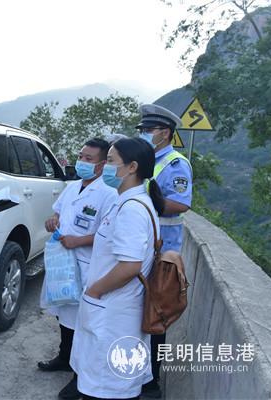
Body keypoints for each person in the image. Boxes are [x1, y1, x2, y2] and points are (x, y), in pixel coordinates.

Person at [70, 138, 164, 400]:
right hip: (117, 309)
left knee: (105, 388)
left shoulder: (132, 210)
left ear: (132, 167)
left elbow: (130, 266)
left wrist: (95, 292)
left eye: (111, 161)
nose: (106, 167)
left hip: (113, 312)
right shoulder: (130, 202)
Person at [37, 138, 117, 400]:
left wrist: (78, 241)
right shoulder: (72, 187)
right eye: (81, 156)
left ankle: (79, 376)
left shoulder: (109, 193)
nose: (81, 162)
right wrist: (53, 221)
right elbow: (57, 214)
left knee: (83, 323)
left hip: (87, 264)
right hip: (63, 261)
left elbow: (109, 234)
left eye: (88, 159)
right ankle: (64, 357)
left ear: (102, 165)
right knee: (62, 313)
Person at [136, 104, 193, 398]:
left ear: (166, 133)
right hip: (139, 245)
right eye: (143, 130)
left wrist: (152, 200)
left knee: (156, 314)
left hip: (163, 252)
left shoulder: (175, 164)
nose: (145, 134)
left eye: (150, 130)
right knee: (134, 312)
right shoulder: (144, 159)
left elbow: (181, 203)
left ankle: (152, 382)